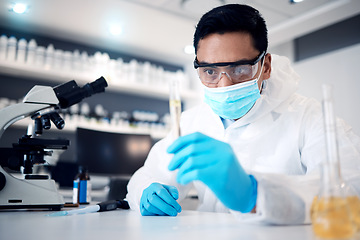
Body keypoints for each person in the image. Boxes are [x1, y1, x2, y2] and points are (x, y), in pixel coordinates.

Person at [126, 4, 360, 224]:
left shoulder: (309, 117)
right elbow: (146, 176)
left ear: (265, 66)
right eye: (210, 71)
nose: (224, 85)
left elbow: (350, 189)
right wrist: (145, 193)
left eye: (239, 69)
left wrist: (255, 194)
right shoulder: (191, 121)